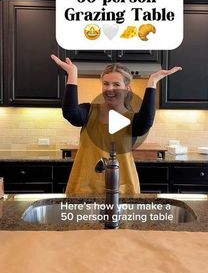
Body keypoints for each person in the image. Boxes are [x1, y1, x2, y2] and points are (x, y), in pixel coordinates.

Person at [51, 54, 182, 196]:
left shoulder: (133, 119)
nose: (110, 88)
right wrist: (72, 74)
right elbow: (71, 114)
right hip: (86, 187)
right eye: (106, 83)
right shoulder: (88, 111)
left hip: (122, 189)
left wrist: (152, 82)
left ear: (127, 88)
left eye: (116, 84)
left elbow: (146, 122)